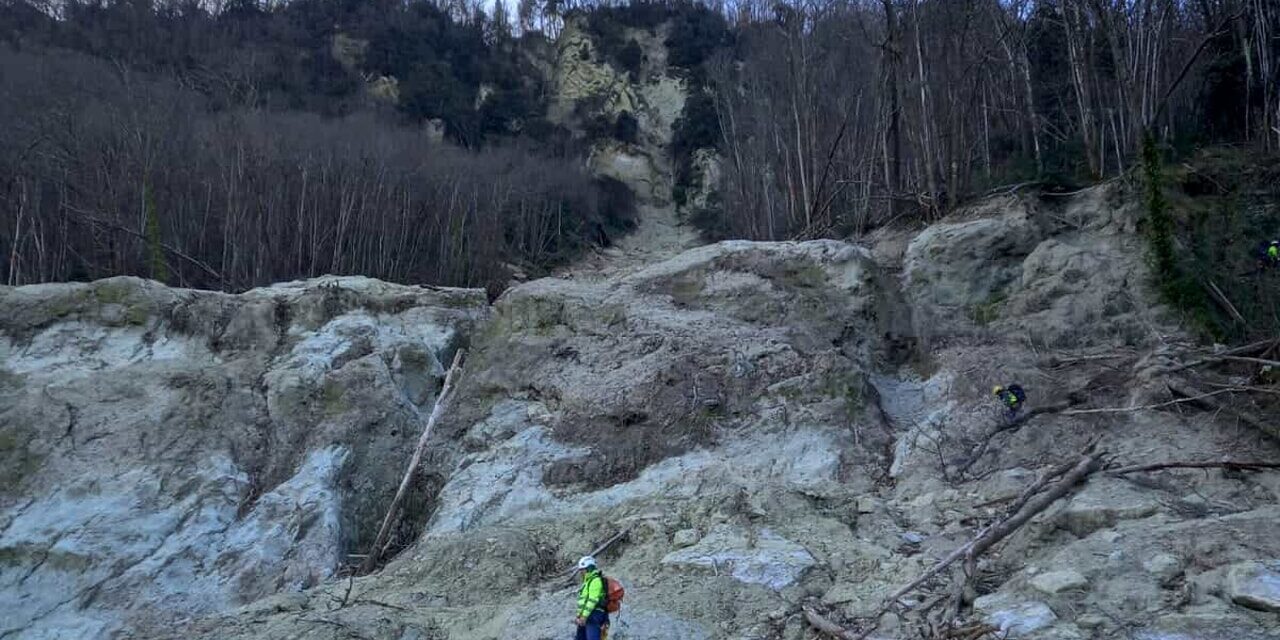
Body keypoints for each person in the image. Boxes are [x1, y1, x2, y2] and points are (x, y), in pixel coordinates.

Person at [574, 555, 609, 640]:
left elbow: (592, 600)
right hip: (587, 616)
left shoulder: (595, 581)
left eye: (583, 569)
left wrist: (584, 616)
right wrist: (579, 616)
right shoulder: (587, 582)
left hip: (594, 615)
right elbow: (583, 601)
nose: (581, 572)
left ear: (589, 568)